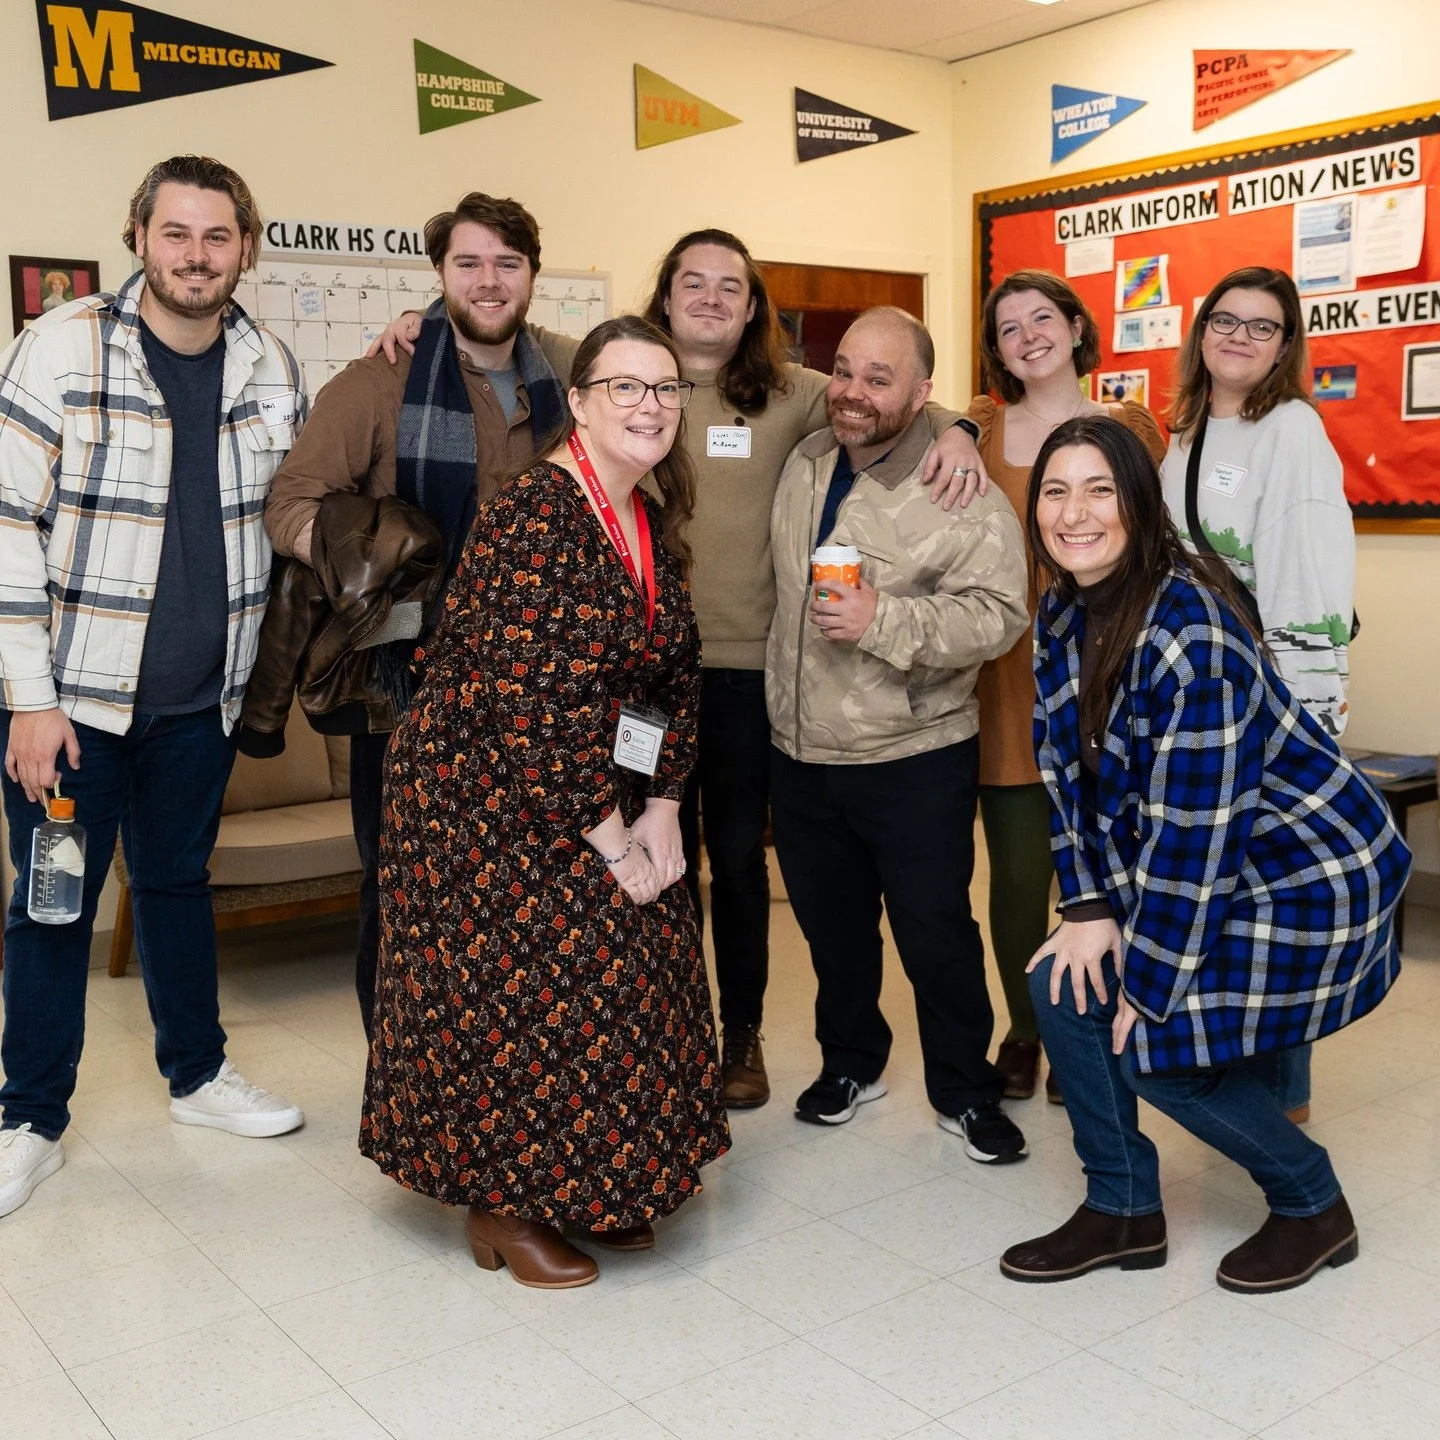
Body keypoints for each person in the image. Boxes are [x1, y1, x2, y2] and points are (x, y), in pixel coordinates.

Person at [371, 228, 988, 1109]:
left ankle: (734, 1039)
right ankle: (617, 1076)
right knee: (623, 878)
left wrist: (959, 428)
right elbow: (491, 319)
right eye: (690, 283)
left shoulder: (793, 394)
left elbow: (880, 397)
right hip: (595, 703)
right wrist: (422, 320)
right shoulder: (588, 430)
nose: (708, 299)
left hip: (729, 676)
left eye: (729, 287)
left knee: (731, 863)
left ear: (751, 308)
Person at [360, 315, 730, 1288]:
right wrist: (614, 844)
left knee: (643, 962)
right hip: (479, 799)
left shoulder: (645, 513)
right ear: (579, 401)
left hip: (581, 779)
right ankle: (503, 1204)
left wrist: (662, 807)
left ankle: (594, 1184)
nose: (649, 406)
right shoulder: (539, 511)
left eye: (664, 389)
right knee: (536, 987)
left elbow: (668, 672)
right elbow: (533, 703)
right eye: (625, 387)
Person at [1002, 415, 1408, 1293]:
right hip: (1210, 861)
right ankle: (1122, 1211)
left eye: (1100, 490)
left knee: (1159, 1046)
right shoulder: (1063, 607)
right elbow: (1063, 772)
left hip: (1304, 871)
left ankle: (1313, 1205)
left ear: (1140, 504)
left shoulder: (1192, 633)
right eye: (1056, 492)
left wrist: (1146, 991)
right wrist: (1086, 911)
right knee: (1059, 986)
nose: (1075, 513)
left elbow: (1200, 835)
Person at [0, 155, 307, 1220]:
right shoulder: (62, 346)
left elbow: (295, 507)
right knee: (53, 903)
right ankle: (28, 1117)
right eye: (176, 233)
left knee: (177, 888)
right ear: (140, 236)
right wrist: (28, 699)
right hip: (73, 712)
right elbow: (4, 524)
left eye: (217, 237)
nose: (196, 255)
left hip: (199, 706)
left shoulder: (271, 364)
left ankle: (198, 1076)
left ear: (245, 249)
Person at [265, 192, 572, 1036]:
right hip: (405, 686)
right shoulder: (378, 382)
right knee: (402, 886)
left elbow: (656, 380)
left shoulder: (569, 381)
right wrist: (365, 556)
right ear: (440, 273)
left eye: (507, 263)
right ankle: (402, 1078)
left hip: (537, 688)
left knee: (526, 888)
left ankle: (509, 1068)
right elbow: (290, 504)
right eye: (468, 262)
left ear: (532, 276)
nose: (488, 280)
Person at [766, 307, 1031, 1163]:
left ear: (922, 394)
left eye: (880, 379)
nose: (852, 392)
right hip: (801, 752)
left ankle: (966, 1089)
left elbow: (999, 617)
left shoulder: (962, 491)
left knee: (935, 932)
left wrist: (884, 619)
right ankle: (852, 1063)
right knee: (831, 930)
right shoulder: (804, 461)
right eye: (843, 369)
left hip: (912, 755)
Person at [1162, 266, 1356, 1125]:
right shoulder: (1190, 427)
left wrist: (1312, 721)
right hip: (1206, 700)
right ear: (1202, 331)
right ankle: (1238, 1073)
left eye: (1263, 326)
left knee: (1276, 891)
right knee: (1229, 893)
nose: (1239, 337)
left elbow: (1309, 580)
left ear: (1286, 345)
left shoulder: (1293, 431)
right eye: (1225, 320)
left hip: (1277, 708)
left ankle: (1283, 1101)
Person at [968, 269, 1166, 1105]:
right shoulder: (974, 428)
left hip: (1113, 665)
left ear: (1078, 327)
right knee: (1018, 872)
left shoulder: (1133, 428)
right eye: (1008, 328)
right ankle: (1025, 1029)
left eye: (1041, 318)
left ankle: (1090, 1030)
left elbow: (1156, 535)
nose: (1027, 337)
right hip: (1013, 675)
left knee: (1113, 867)